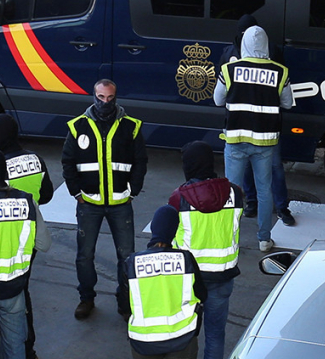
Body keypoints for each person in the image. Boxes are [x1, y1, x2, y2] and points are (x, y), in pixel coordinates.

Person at [62, 79, 148, 320]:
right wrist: (76, 193)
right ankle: (86, 298)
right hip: (88, 203)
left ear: (116, 97)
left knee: (127, 256)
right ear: (93, 96)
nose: (105, 103)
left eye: (109, 98)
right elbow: (67, 161)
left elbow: (141, 161)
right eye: (100, 98)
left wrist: (133, 190)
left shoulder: (131, 126)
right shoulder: (78, 126)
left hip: (121, 203)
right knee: (84, 255)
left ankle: (125, 301)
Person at [213, 25, 293, 252]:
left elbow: (218, 100)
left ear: (244, 43)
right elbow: (287, 103)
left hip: (236, 140)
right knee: (264, 190)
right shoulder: (280, 72)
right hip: (265, 142)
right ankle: (264, 239)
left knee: (231, 192)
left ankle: (229, 239)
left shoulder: (229, 69)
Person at [0, 113, 54, 359]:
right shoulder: (35, 159)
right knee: (20, 289)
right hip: (28, 234)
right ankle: (26, 347)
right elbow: (46, 196)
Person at [168, 140, 242, 359]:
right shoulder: (235, 193)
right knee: (216, 334)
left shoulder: (179, 197)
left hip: (188, 277)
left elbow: (170, 233)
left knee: (184, 333)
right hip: (223, 274)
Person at [124, 205, 207, 359]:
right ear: (174, 231)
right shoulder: (186, 258)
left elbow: (125, 300)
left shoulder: (132, 262)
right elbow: (202, 294)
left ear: (153, 228)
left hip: (143, 342)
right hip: (182, 339)